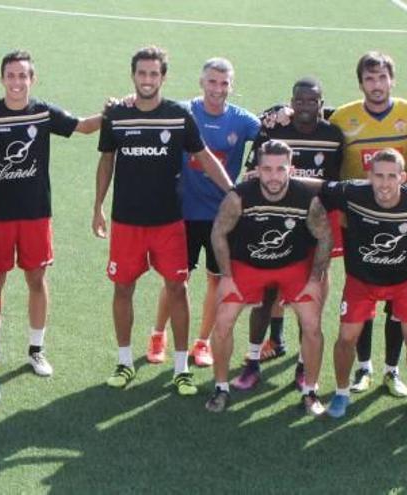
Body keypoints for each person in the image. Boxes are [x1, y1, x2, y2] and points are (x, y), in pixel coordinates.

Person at [93, 46, 232, 395]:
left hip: (169, 223)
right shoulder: (116, 116)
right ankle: (124, 362)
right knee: (123, 288)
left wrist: (233, 192)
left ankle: (181, 368)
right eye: (142, 73)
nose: (147, 80)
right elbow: (106, 162)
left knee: (177, 289)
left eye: (154, 74)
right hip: (126, 222)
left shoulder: (179, 116)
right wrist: (97, 206)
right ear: (133, 76)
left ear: (163, 77)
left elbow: (206, 157)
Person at [0, 49, 100, 376]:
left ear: (32, 79)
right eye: (11, 75)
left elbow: (82, 126)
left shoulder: (42, 113)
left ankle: (36, 349)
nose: (17, 82)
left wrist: (118, 112)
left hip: (36, 213)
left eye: (23, 75)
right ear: (2, 79)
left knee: (37, 279)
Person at [232, 77, 343, 392]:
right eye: (300, 100)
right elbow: (251, 173)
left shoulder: (333, 135)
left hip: (316, 224)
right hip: (275, 224)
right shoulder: (275, 130)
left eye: (312, 101)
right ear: (291, 102)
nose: (305, 106)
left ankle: (303, 367)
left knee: (312, 297)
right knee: (267, 295)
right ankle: (253, 362)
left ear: (321, 104)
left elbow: (334, 184)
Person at [147, 57, 260, 369]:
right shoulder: (181, 111)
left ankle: (203, 342)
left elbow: (274, 131)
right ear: (201, 82)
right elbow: (147, 109)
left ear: (231, 86)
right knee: (174, 280)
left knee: (216, 281)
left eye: (224, 83)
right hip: (181, 213)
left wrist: (283, 111)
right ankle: (158, 334)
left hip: (221, 217)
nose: (217, 89)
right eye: (212, 81)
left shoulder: (243, 121)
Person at [205, 140, 331, 415]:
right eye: (267, 169)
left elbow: (324, 237)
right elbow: (218, 232)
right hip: (247, 265)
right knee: (223, 322)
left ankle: (310, 391)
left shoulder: (306, 198)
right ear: (257, 170)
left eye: (280, 169)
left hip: (293, 266)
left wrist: (314, 278)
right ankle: (221, 387)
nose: (273, 177)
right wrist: (226, 275)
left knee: (311, 324)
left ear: (291, 169)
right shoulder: (239, 195)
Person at [329, 52, 407, 396]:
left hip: (401, 220)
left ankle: (392, 369)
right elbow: (329, 164)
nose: (377, 85)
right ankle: (364, 368)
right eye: (369, 79)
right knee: (364, 294)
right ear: (361, 83)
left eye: (382, 78)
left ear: (392, 79)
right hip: (359, 223)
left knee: (398, 300)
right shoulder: (343, 118)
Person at [320, 149, 407, 417]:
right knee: (346, 338)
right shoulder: (353, 193)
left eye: (391, 176)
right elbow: (318, 187)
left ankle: (391, 372)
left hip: (403, 282)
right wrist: (286, 176)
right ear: (368, 176)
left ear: (402, 177)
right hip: (361, 281)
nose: (384, 183)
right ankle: (342, 392)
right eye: (378, 175)